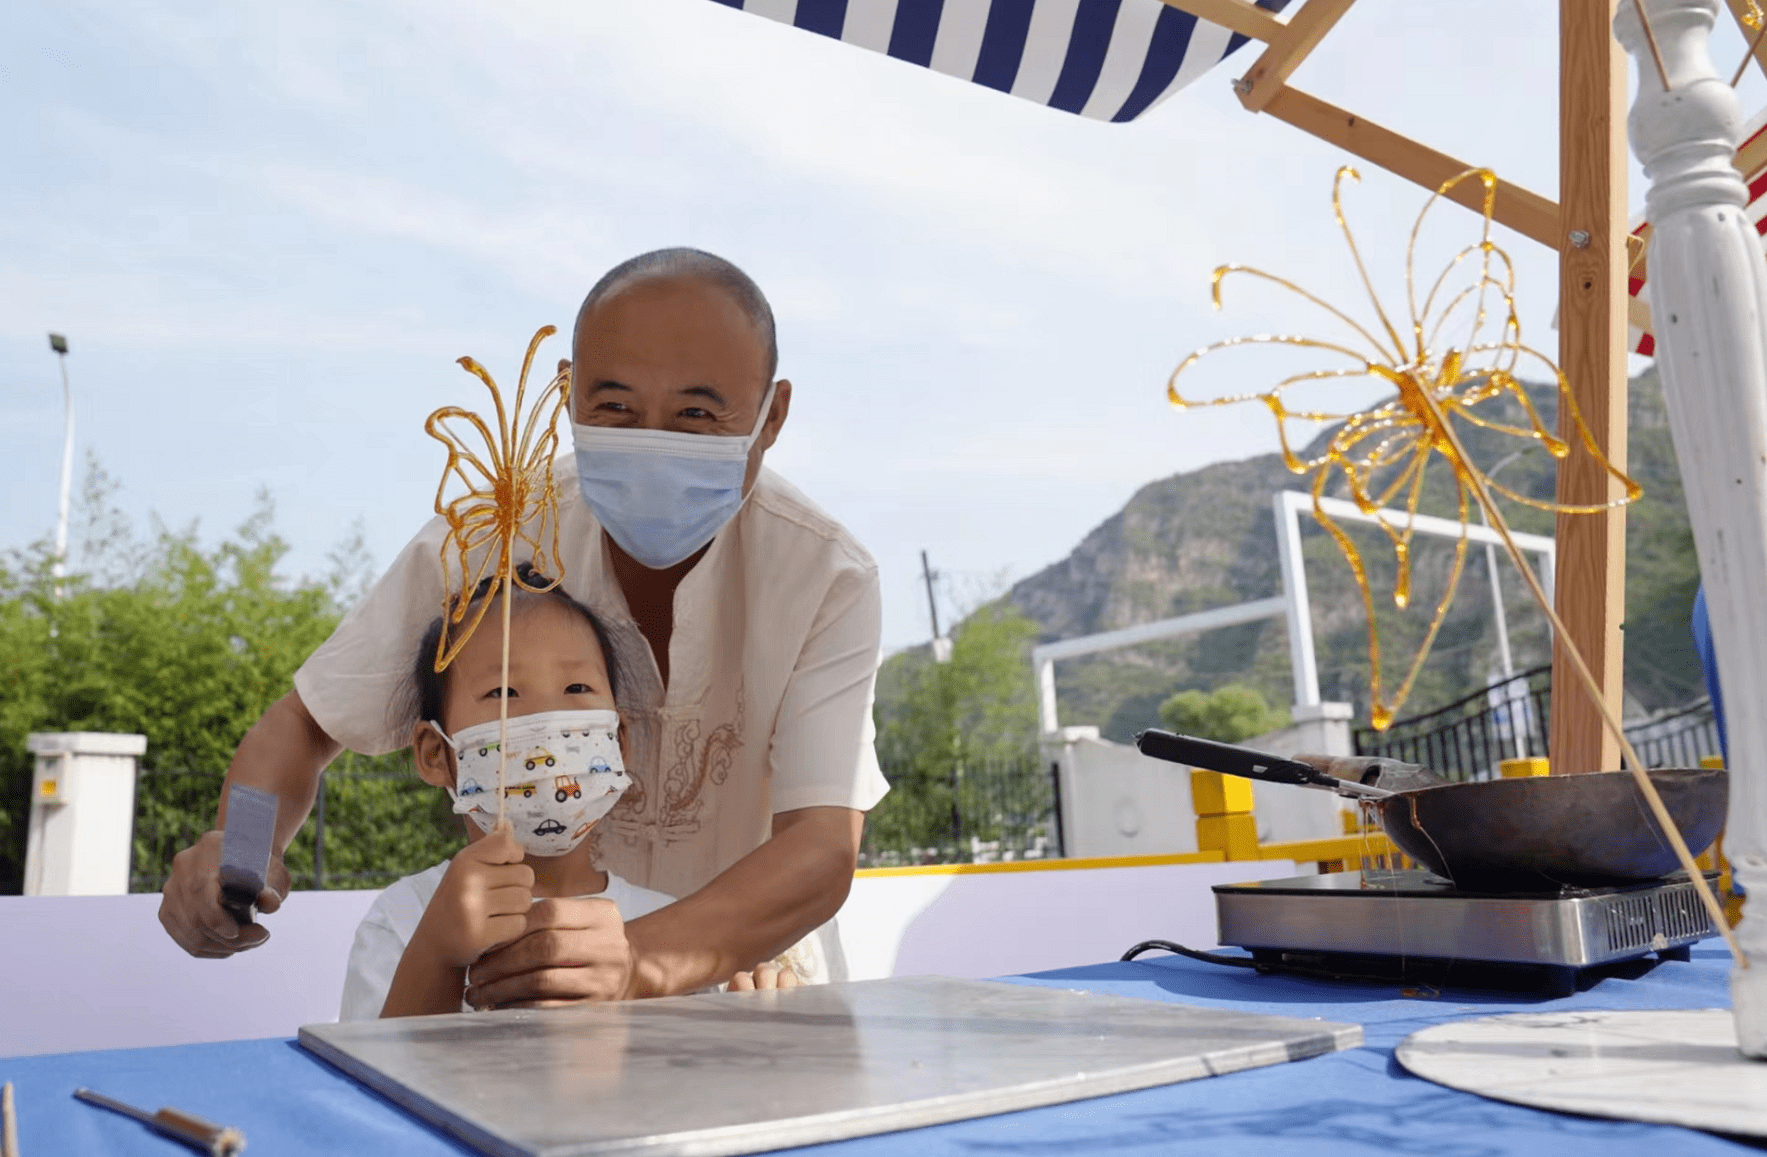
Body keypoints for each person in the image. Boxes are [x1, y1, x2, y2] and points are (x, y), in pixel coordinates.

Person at [160, 248, 888, 1001]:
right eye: (615, 407)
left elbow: (820, 845)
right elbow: (308, 722)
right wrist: (239, 851)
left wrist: (641, 957)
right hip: (504, 972)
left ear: (771, 414)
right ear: (568, 395)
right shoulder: (491, 531)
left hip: (746, 983)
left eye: (697, 414)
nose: (651, 441)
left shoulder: (828, 576)